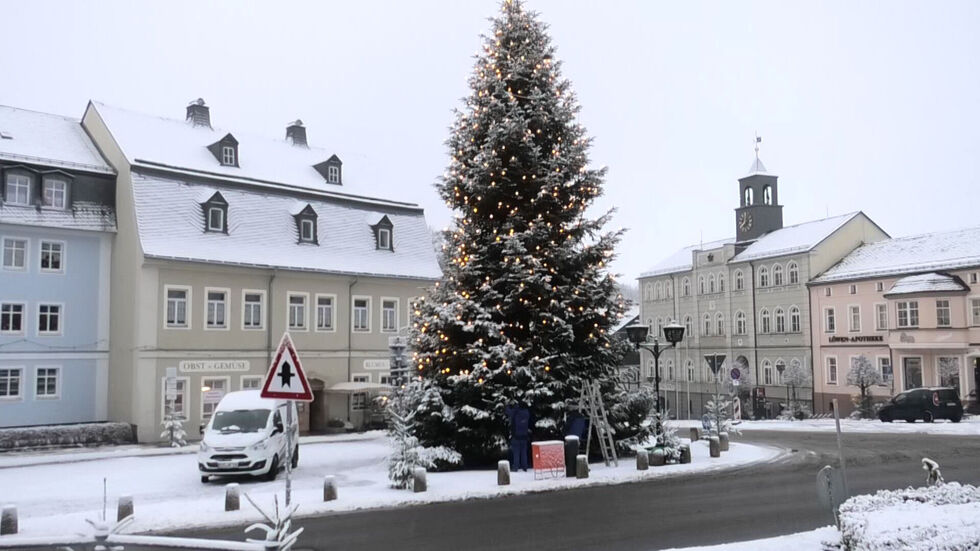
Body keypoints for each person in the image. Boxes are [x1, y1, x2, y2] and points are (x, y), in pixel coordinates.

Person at [505, 401, 532, 471]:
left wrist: (507, 405)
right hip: (524, 436)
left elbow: (509, 412)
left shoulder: (516, 412)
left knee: (516, 453)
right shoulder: (527, 413)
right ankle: (525, 467)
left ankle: (516, 467)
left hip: (516, 436)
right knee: (524, 453)